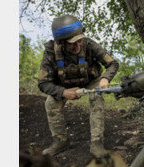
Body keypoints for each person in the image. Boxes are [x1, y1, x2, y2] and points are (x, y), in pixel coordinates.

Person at [38, 14, 119, 156]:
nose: (78, 46)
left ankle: (96, 144)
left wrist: (105, 78)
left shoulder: (88, 44)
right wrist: (63, 92)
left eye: (79, 41)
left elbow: (112, 63)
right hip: (64, 86)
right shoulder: (51, 52)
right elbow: (43, 83)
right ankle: (60, 141)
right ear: (61, 43)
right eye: (72, 43)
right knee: (50, 104)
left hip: (91, 82)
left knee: (97, 97)